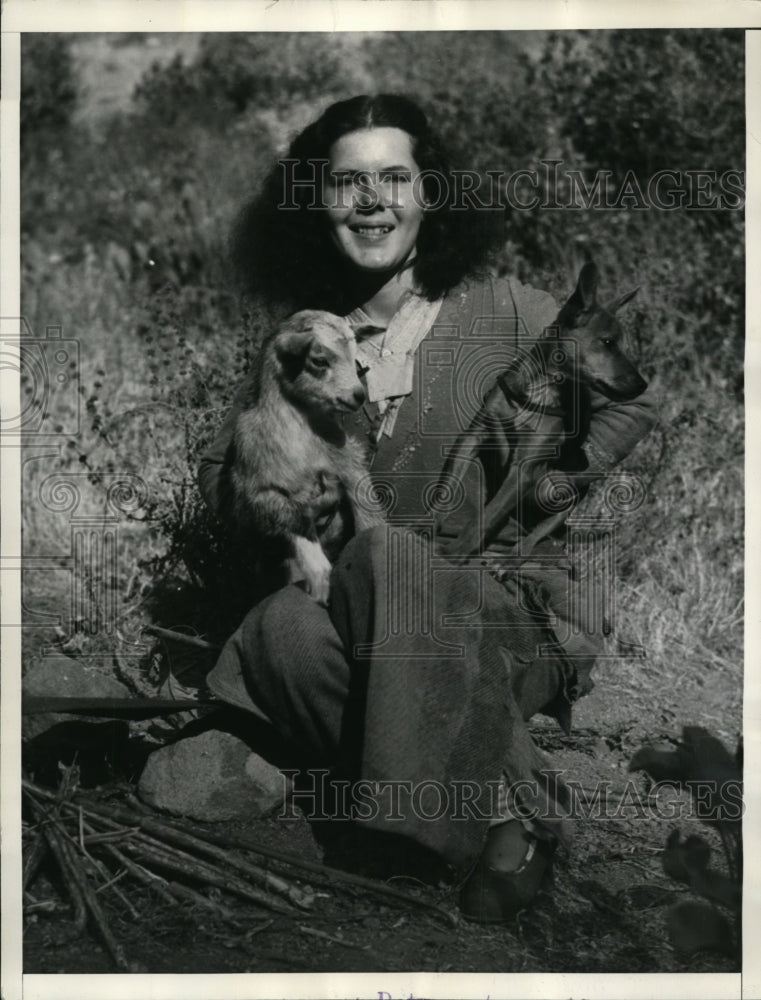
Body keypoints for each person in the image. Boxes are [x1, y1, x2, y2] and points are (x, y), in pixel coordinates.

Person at [198, 94, 657, 922]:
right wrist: (281, 495)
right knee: (281, 633)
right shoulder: (306, 341)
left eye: (394, 177)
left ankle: (451, 828)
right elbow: (222, 477)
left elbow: (634, 402)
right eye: (347, 182)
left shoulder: (507, 311)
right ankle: (482, 807)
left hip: (498, 608)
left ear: (431, 193)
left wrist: (556, 483)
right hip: (356, 610)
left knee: (386, 553)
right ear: (316, 200)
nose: (371, 200)